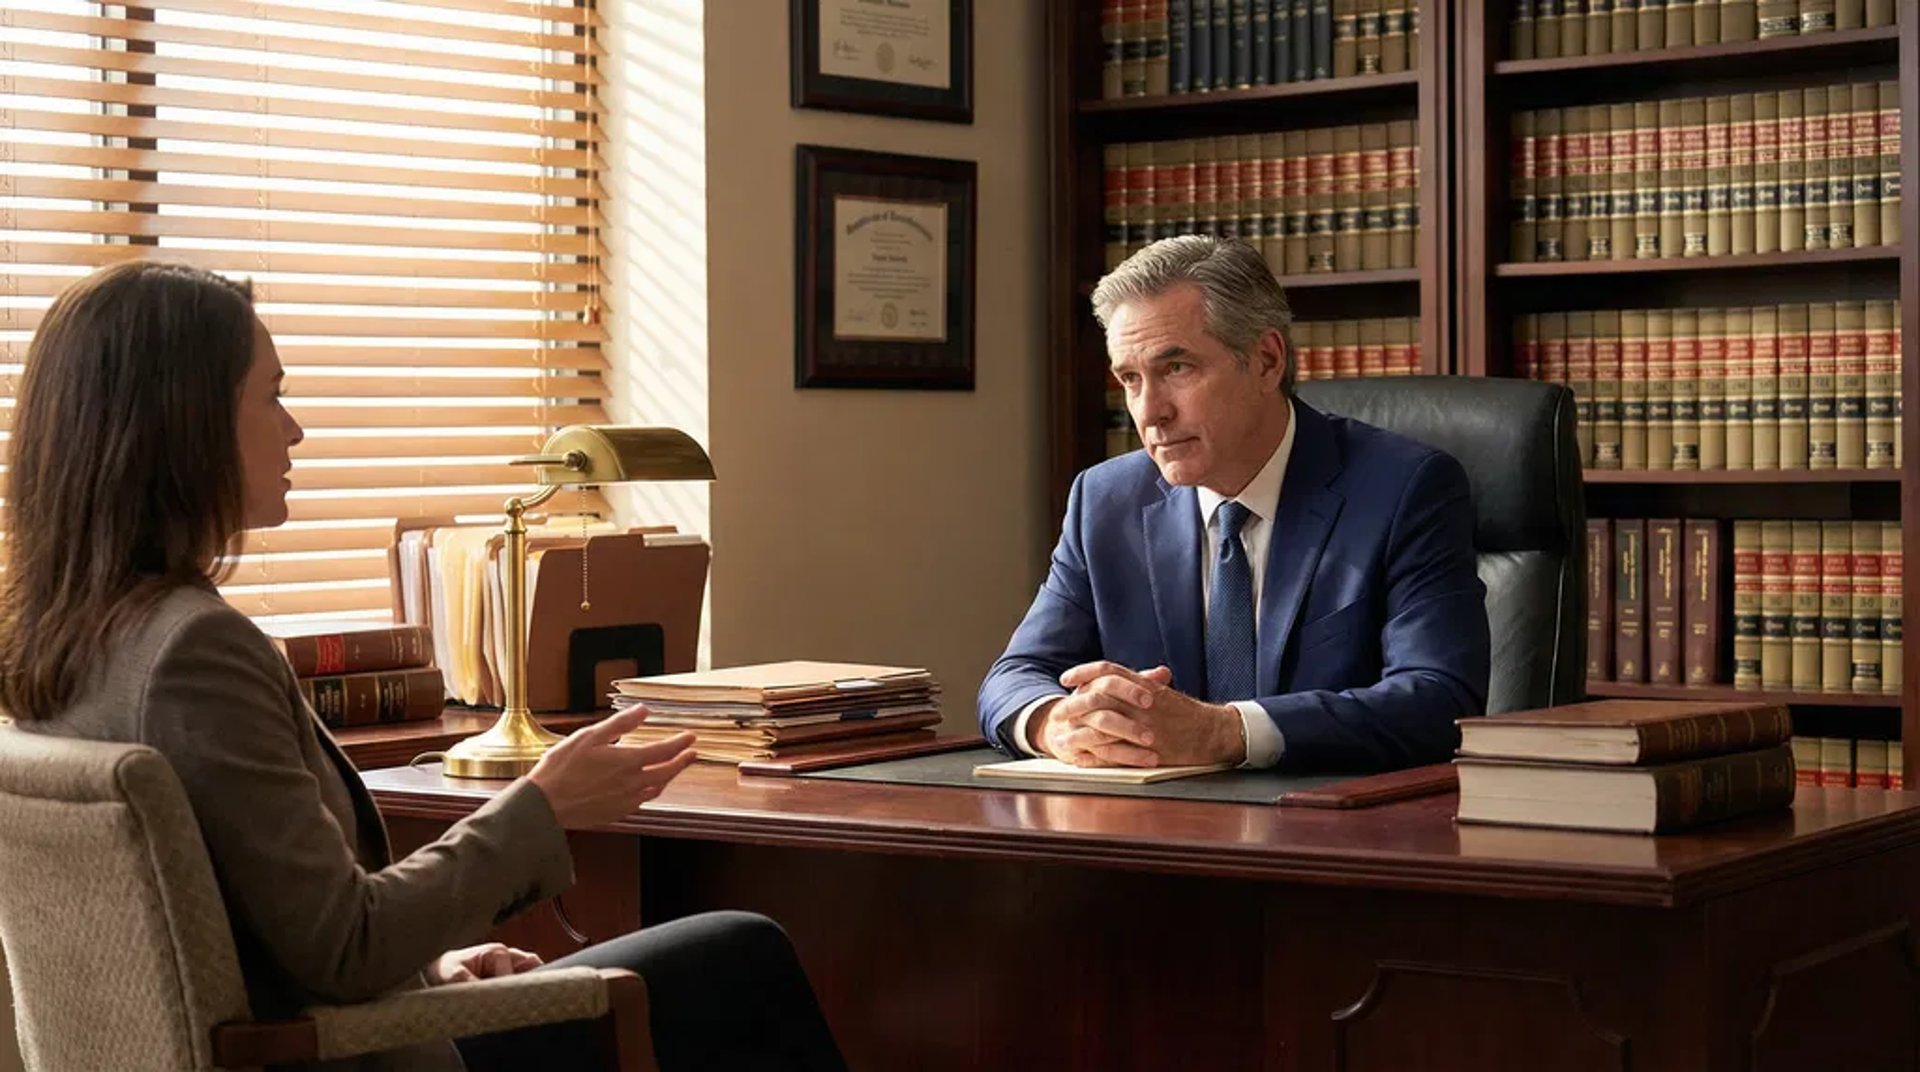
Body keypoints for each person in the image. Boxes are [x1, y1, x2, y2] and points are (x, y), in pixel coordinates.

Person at [0, 261, 846, 1072]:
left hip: (316, 1032)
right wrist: (543, 806)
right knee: (739, 956)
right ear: (184, 422)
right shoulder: (195, 654)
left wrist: (431, 973)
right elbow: (346, 947)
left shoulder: (61, 643)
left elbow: (240, 939)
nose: (295, 429)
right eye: (272, 395)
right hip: (351, 1062)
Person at [978, 236, 1489, 772]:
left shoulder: (1404, 489)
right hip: (1150, 819)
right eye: (1130, 379)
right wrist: (1055, 722)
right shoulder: (1106, 500)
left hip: (1325, 816)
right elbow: (1014, 677)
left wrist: (1226, 732)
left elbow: (1439, 700)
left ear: (1267, 361)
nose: (1149, 412)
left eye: (1177, 368)